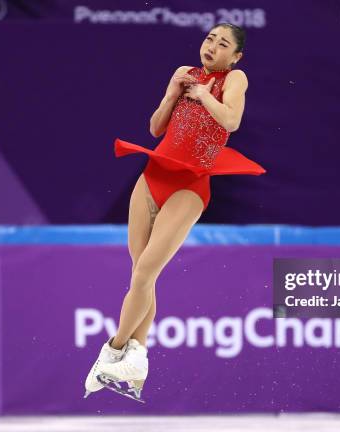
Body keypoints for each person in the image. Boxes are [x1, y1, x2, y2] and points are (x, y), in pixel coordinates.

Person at [84, 22, 265, 401]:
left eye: (223, 43)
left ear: (236, 55)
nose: (212, 46)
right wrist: (172, 94)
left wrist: (203, 95)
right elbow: (154, 128)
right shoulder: (184, 75)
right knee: (140, 275)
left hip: (189, 184)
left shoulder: (234, 78)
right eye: (209, 39)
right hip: (152, 176)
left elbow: (231, 121)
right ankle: (137, 359)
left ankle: (113, 351)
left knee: (146, 271)